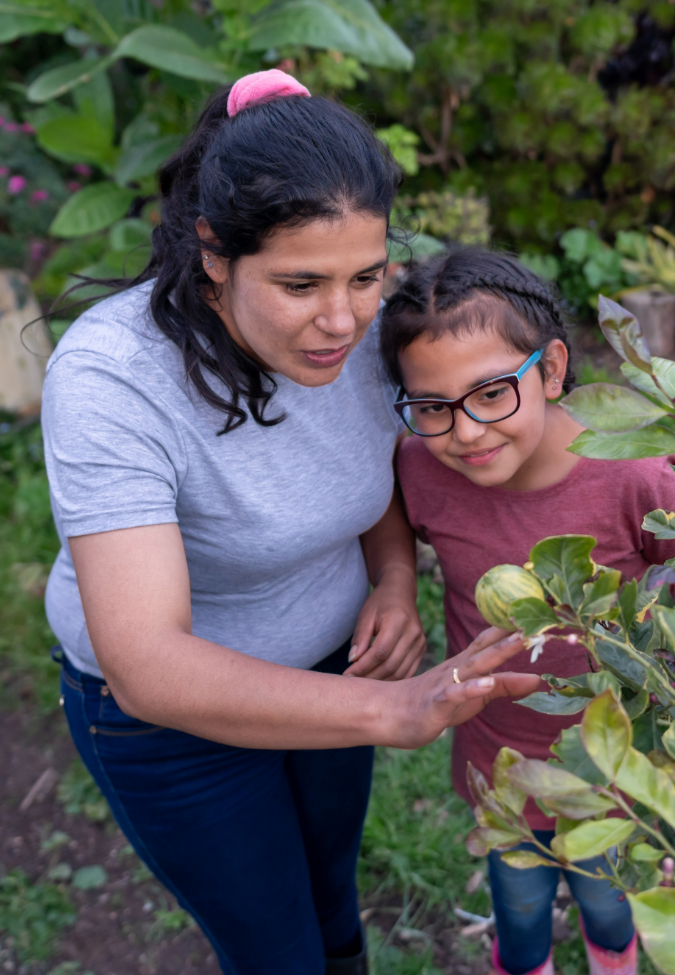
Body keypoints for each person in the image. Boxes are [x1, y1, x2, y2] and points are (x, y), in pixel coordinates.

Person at [41, 73, 538, 975]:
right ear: (213, 253)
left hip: (331, 664)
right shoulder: (112, 378)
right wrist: (390, 708)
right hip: (171, 729)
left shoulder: (369, 323)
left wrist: (390, 574)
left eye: (365, 275)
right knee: (276, 952)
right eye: (300, 283)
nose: (342, 319)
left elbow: (367, 464)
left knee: (331, 909)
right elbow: (147, 661)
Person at [381, 248, 675, 975]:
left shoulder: (630, 475)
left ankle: (615, 960)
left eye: (489, 393)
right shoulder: (421, 467)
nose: (466, 431)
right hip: (499, 753)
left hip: (616, 762)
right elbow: (387, 511)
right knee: (516, 902)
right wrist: (391, 581)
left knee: (610, 900)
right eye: (432, 407)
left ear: (547, 370)